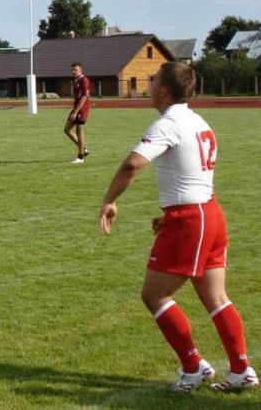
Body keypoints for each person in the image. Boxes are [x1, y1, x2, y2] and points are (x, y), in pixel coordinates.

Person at [98, 62, 257, 393]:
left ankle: (193, 366)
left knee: (154, 294)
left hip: (191, 219)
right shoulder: (198, 121)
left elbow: (133, 164)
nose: (149, 83)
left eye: (153, 79)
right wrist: (172, 214)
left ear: (163, 90)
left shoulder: (169, 124)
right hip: (208, 214)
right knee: (216, 296)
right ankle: (241, 369)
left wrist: (109, 200)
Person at [65, 62, 91, 163]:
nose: (73, 72)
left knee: (79, 132)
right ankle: (84, 149)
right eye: (72, 70)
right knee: (67, 129)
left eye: (75, 70)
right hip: (76, 109)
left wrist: (75, 112)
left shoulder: (84, 80)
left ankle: (80, 157)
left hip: (82, 110)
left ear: (80, 70)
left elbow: (84, 96)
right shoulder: (76, 81)